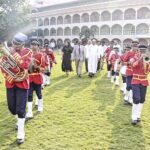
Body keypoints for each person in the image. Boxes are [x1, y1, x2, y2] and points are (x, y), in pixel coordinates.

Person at [0, 33, 32, 144]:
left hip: (22, 85)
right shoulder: (8, 51)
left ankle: (20, 134)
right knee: (12, 108)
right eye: (14, 44)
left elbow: (24, 66)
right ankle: (19, 120)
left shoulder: (27, 51)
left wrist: (13, 54)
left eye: (17, 44)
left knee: (20, 110)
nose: (14, 46)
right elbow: (2, 64)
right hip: (11, 83)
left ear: (22, 44)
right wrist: (13, 78)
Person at [130, 45, 150, 125]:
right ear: (138, 50)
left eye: (144, 50)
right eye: (141, 50)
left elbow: (148, 71)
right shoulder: (134, 58)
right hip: (135, 81)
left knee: (142, 100)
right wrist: (140, 58)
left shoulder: (147, 58)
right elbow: (133, 65)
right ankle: (133, 117)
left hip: (144, 81)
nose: (143, 52)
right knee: (136, 99)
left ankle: (138, 116)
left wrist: (148, 63)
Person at [26, 40, 46, 119]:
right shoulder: (28, 55)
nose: (33, 46)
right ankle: (29, 112)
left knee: (39, 94)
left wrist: (35, 66)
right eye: (32, 44)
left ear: (38, 46)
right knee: (29, 95)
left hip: (37, 77)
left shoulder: (41, 55)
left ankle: (40, 107)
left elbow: (43, 69)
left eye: (35, 45)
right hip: (29, 78)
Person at [122, 40, 139, 105]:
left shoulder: (139, 53)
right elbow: (124, 62)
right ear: (132, 46)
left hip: (136, 73)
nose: (135, 47)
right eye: (134, 45)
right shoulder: (128, 53)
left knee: (133, 86)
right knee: (129, 86)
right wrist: (129, 63)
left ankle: (130, 99)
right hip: (129, 71)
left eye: (136, 46)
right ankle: (126, 97)